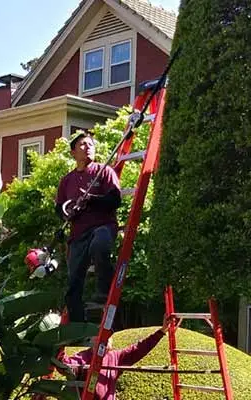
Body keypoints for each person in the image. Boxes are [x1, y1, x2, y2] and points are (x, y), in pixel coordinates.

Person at [55, 131, 122, 323]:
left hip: (103, 226)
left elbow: (115, 200)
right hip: (78, 234)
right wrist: (68, 211)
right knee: (73, 284)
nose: (88, 147)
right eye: (83, 145)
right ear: (73, 153)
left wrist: (91, 200)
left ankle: (104, 289)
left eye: (91, 144)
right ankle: (76, 328)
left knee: (100, 244)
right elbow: (59, 208)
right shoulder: (66, 181)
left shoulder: (104, 171)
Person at [60, 315, 181, 400]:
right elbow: (65, 365)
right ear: (92, 341)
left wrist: (162, 330)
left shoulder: (116, 357)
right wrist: (58, 344)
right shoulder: (84, 357)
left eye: (108, 338)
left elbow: (139, 349)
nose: (105, 341)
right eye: (100, 338)